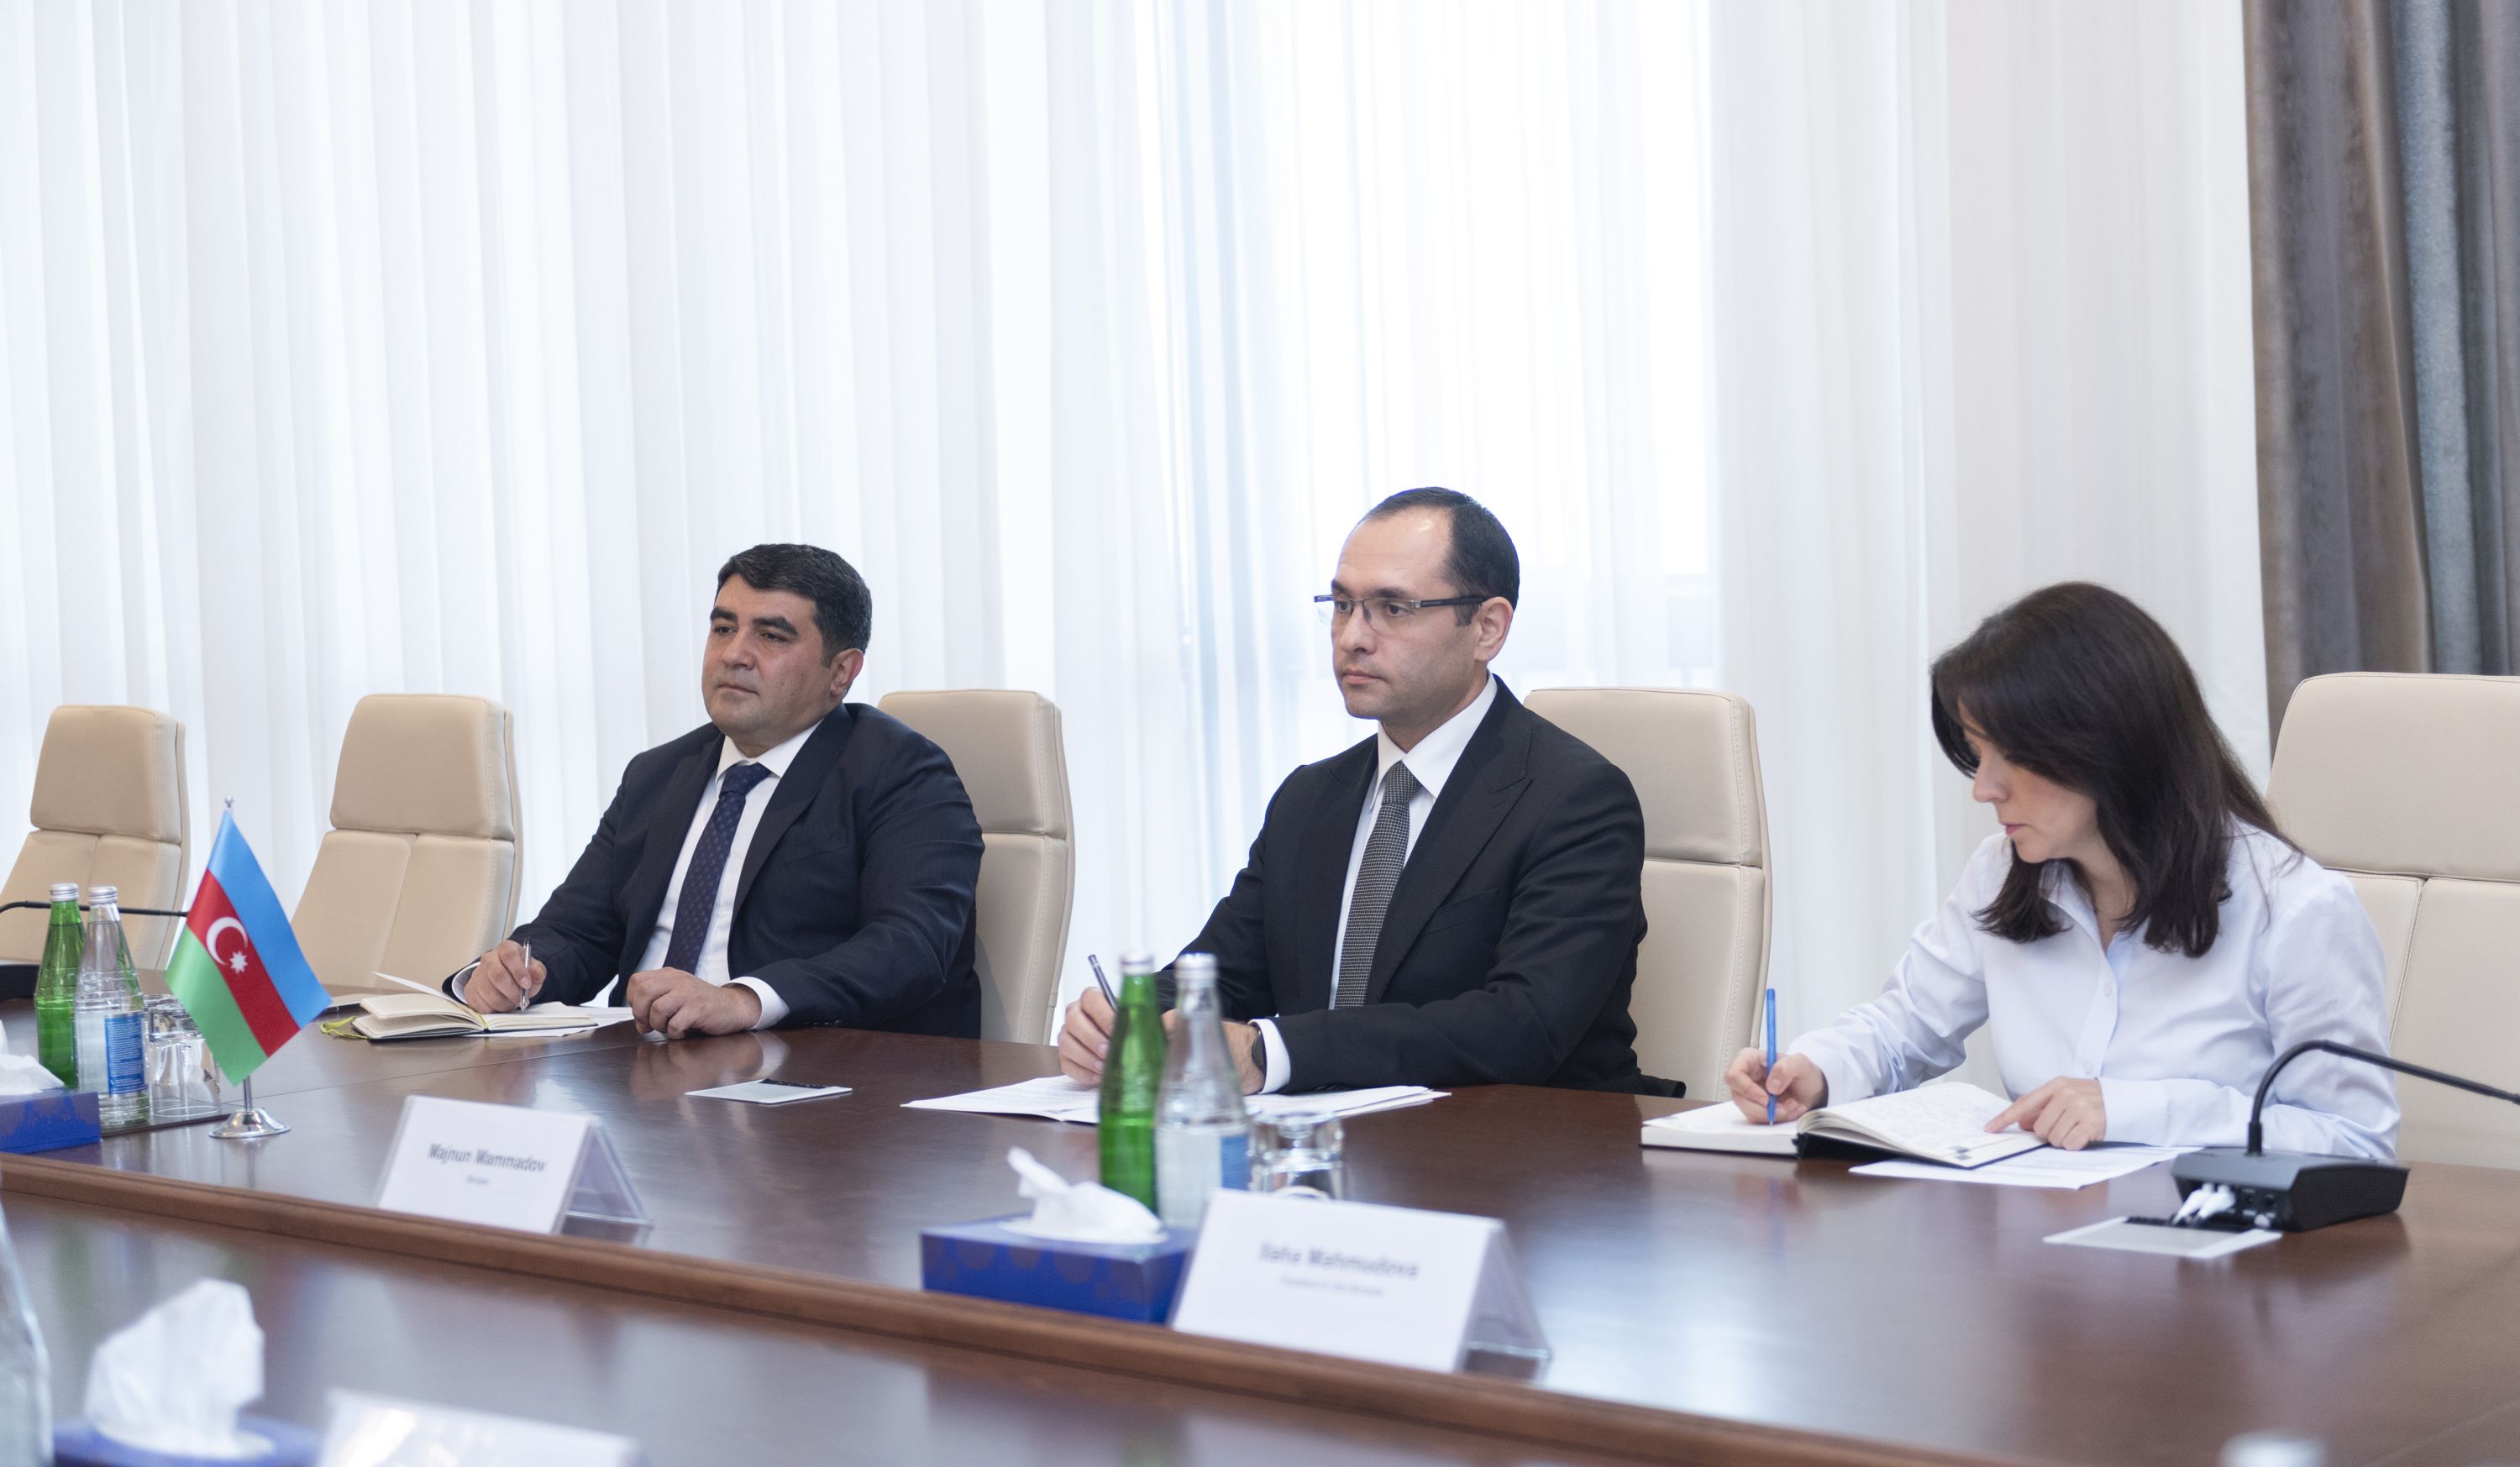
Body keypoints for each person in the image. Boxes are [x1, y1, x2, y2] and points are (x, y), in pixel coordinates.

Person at [1728, 582, 2397, 1157]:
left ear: (2108, 745)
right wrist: (1813, 1071)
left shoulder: (2296, 910)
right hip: (2044, 1242)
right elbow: (1903, 1026)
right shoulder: (2001, 874)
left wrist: (2133, 1110)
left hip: (2219, 1250)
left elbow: (2355, 1139)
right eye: (1977, 755)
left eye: (2010, 756)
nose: (1983, 788)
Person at [1058, 487, 1666, 1096]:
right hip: (1327, 1138)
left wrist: (1270, 1053)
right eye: (1343, 605)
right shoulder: (1310, 798)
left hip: (1524, 1140)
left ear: (1487, 628)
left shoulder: (1575, 799)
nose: (1352, 637)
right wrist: (1128, 1023)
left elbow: (1523, 1025)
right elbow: (1225, 974)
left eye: (1392, 608)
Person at [449, 543, 984, 1039]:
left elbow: (912, 945)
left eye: (771, 636)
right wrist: (512, 973)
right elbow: (578, 932)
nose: (734, 654)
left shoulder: (901, 773)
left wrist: (744, 999)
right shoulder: (658, 775)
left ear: (842, 671)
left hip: (810, 1072)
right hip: (636, 1063)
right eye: (723, 628)